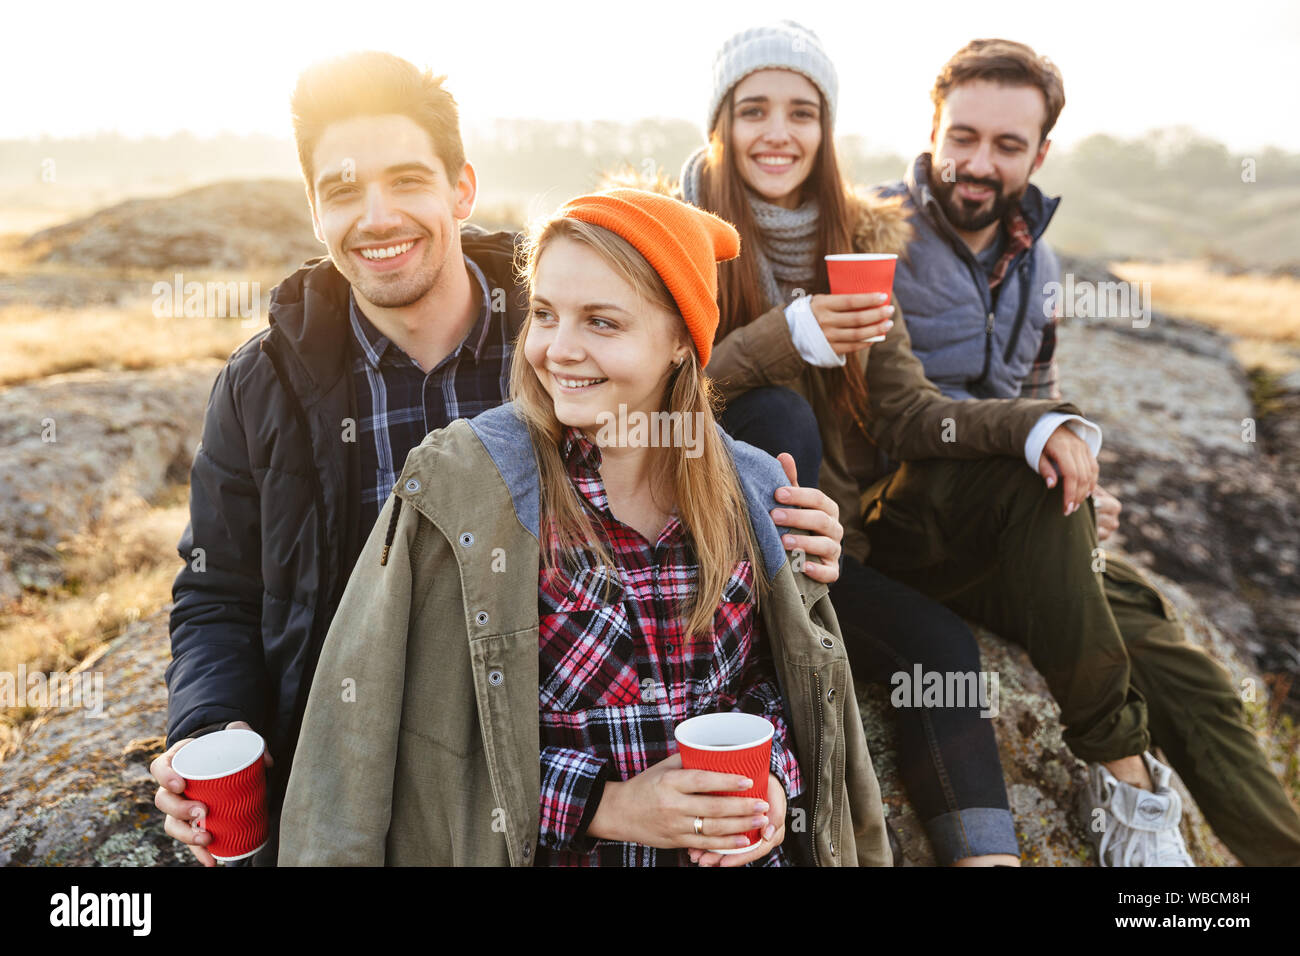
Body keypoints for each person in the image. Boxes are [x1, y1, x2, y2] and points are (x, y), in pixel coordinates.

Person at [152, 51, 846, 867]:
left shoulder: (552, 332)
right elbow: (216, 591)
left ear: (462, 188)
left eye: (407, 179)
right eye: (342, 190)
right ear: (313, 209)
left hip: (526, 746)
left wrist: (788, 518)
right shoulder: (264, 383)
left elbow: (681, 418)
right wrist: (212, 721)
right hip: (363, 742)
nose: (377, 217)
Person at [609, 20, 1106, 866]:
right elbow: (643, 403)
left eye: (802, 113)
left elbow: (908, 412)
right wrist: (783, 335)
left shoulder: (863, 240)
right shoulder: (664, 232)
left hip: (822, 552)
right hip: (689, 551)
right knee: (780, 416)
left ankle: (988, 858)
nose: (778, 133)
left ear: (825, 129)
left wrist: (1040, 424)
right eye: (753, 109)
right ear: (720, 123)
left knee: (940, 649)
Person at [277, 189, 890, 866]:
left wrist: (771, 778)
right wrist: (610, 806)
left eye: (602, 322)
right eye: (544, 314)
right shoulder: (466, 489)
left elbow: (779, 689)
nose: (559, 350)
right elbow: (415, 743)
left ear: (682, 343)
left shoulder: (749, 491)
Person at [868, 37, 1300, 866]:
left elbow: (1036, 394)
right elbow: (890, 421)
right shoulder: (877, 234)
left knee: (1178, 661)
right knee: (1047, 504)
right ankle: (1130, 785)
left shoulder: (1041, 261)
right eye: (961, 137)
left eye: (1005, 145)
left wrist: (1077, 480)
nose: (977, 163)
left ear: (1040, 152)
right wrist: (1040, 447)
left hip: (1007, 527)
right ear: (931, 131)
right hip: (903, 525)